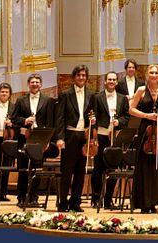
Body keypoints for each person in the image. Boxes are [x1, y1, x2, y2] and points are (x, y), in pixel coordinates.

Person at [55, 65, 96, 212]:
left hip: (83, 137)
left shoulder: (92, 95)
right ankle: (62, 202)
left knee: (80, 171)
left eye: (84, 75)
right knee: (67, 171)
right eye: (79, 75)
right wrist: (60, 138)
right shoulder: (65, 94)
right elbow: (59, 119)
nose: (81, 78)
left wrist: (93, 120)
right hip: (69, 135)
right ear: (74, 77)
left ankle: (75, 202)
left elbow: (92, 114)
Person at [129, 64, 158, 213]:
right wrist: (146, 115)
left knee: (156, 168)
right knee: (144, 168)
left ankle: (153, 202)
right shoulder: (141, 90)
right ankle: (144, 203)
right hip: (145, 131)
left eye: (156, 72)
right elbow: (131, 109)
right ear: (147, 75)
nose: (153, 75)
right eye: (151, 72)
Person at [12, 73, 55, 207]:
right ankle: (21, 196)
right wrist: (25, 120)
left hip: (40, 138)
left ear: (41, 84)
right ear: (28, 84)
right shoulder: (20, 100)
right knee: (24, 169)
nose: (35, 84)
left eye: (37, 82)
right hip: (25, 137)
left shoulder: (47, 100)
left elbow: (50, 121)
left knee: (37, 169)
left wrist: (47, 140)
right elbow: (13, 119)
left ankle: (34, 197)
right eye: (32, 82)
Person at [89, 71, 130, 209]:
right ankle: (96, 198)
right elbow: (92, 116)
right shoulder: (97, 97)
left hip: (116, 137)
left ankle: (108, 199)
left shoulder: (123, 98)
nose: (111, 82)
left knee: (114, 169)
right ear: (105, 82)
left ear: (117, 82)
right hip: (101, 135)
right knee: (98, 169)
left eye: (114, 79)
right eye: (109, 79)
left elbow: (126, 117)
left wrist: (119, 122)